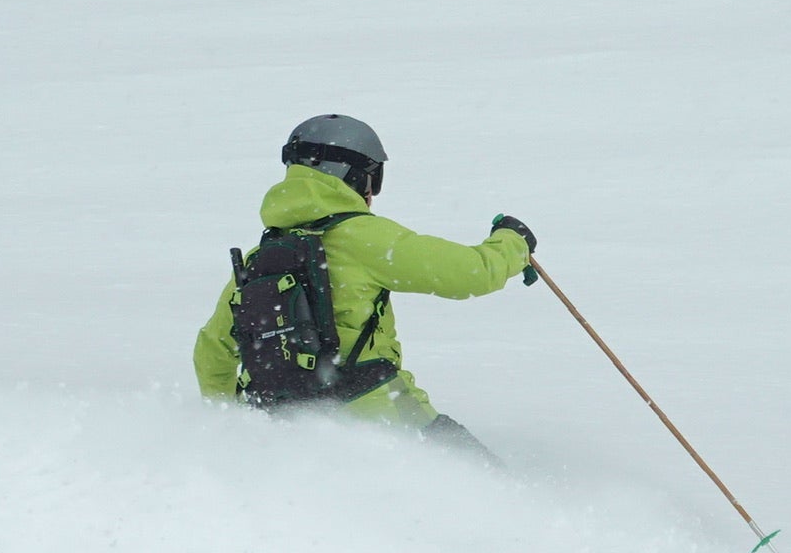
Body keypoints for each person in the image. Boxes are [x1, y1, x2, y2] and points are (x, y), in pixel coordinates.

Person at [193, 114, 535, 456]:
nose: (373, 193)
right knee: (484, 481)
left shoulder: (261, 257)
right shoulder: (364, 238)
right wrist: (512, 241)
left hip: (283, 428)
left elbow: (213, 352)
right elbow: (471, 274)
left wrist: (236, 426)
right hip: (380, 414)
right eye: (374, 180)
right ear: (352, 175)